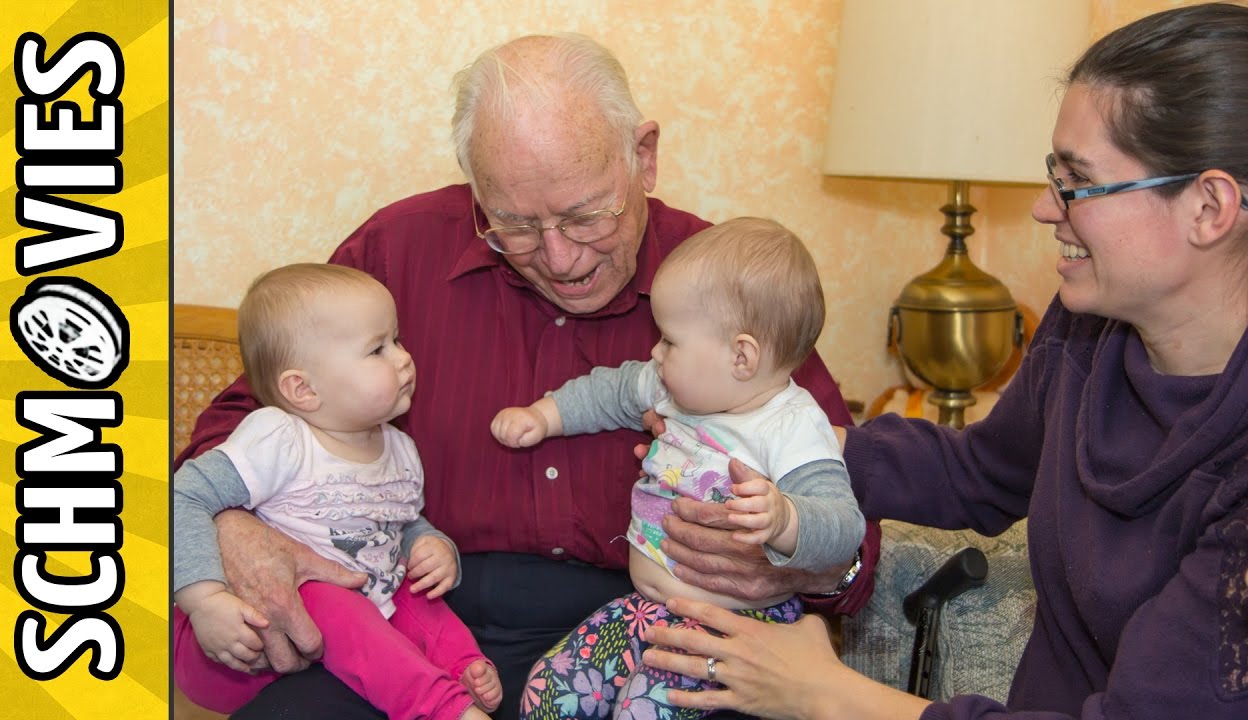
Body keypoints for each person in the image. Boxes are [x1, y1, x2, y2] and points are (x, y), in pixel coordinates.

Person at [174, 33, 881, 720]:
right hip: (408, 618)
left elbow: (849, 514)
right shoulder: (396, 249)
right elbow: (237, 423)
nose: (560, 257)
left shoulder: (725, 286)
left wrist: (803, 564)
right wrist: (231, 525)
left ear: (645, 156)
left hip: (647, 626)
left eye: (585, 216)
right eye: (511, 223)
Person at [640, 4, 1248, 720]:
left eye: (1078, 183)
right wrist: (781, 446)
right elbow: (982, 474)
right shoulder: (1087, 333)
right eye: (1051, 174)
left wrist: (824, 692)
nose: (1044, 211)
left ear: (1209, 207)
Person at [491, 218, 864, 719]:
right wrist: (543, 416)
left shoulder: (792, 427)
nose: (654, 352)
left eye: (669, 341)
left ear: (741, 356)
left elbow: (843, 525)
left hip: (735, 625)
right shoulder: (677, 387)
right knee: (549, 689)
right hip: (644, 607)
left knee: (644, 711)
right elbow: (612, 391)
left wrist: (786, 520)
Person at [172, 264, 501, 719]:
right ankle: (440, 707)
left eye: (398, 340)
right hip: (249, 644)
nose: (404, 358)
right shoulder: (279, 438)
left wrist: (430, 543)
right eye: (377, 350)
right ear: (303, 389)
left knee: (417, 589)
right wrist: (205, 601)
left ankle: (463, 668)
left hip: (354, 629)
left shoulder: (399, 446)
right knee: (331, 597)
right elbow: (184, 494)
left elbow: (396, 521)